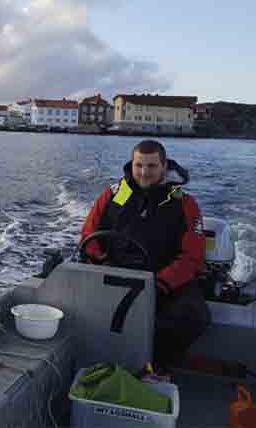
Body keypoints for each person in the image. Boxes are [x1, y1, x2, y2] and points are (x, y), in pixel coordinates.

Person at [79, 140, 211, 371]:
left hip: (165, 280)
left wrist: (161, 283)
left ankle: (153, 367)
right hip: (114, 272)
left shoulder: (183, 203)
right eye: (139, 165)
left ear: (164, 166)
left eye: (151, 166)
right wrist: (102, 265)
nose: (144, 172)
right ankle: (92, 364)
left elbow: (193, 255)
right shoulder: (116, 195)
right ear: (132, 165)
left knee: (193, 316)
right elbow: (90, 236)